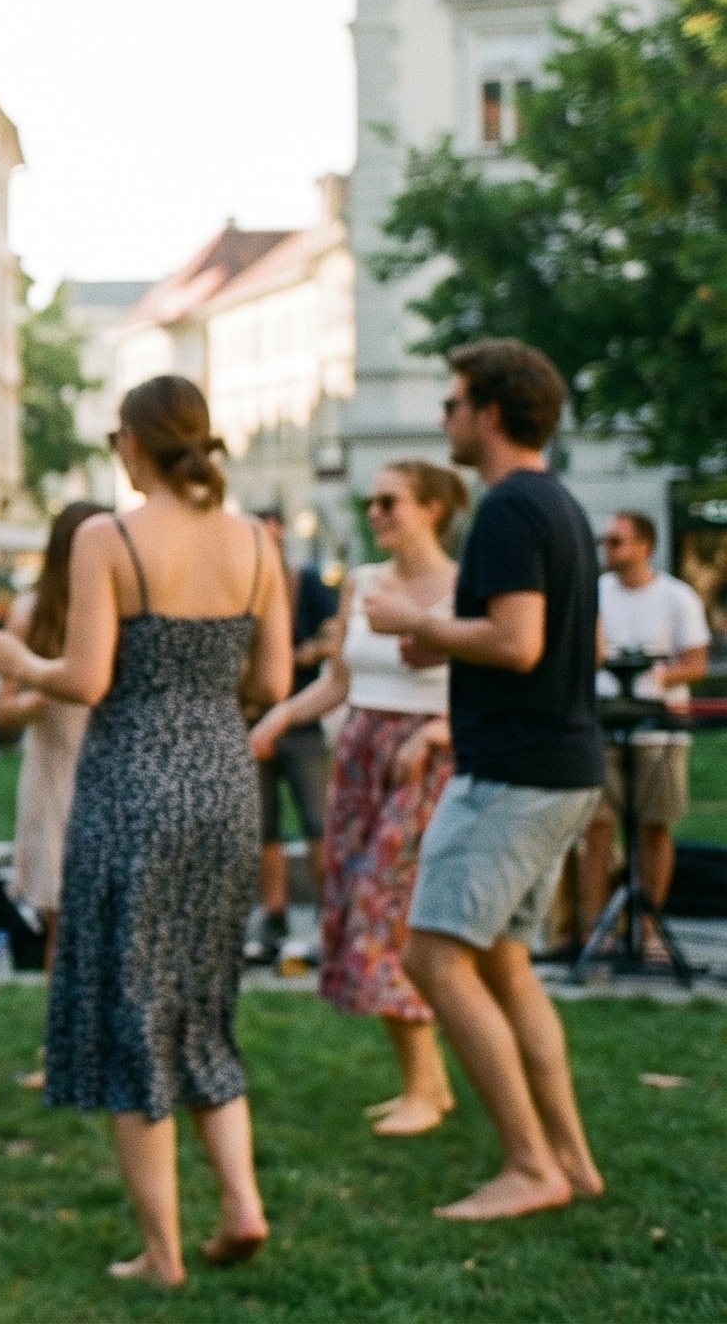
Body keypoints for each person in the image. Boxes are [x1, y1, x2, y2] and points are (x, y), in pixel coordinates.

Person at [0, 375, 284, 1288]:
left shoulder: (109, 537)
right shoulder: (257, 543)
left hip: (132, 789)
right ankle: (241, 1203)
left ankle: (162, 1254)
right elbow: (270, 685)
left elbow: (85, 677)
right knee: (201, 1000)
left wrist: (14, 659)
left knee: (132, 1013)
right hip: (225, 783)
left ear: (133, 445)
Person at [364, 339, 607, 1221]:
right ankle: (571, 1162)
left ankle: (529, 1166)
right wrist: (443, 635)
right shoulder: (561, 505)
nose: (444, 418)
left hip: (514, 773)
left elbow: (519, 642)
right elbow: (541, 640)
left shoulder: (508, 511)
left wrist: (413, 617)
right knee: (504, 964)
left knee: (432, 953)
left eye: (456, 402)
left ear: (491, 414)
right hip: (559, 765)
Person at [247, 463, 469, 1137]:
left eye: (390, 502)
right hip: (361, 753)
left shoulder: (466, 588)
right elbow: (339, 680)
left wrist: (436, 732)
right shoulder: (366, 583)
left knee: (386, 916)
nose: (376, 512)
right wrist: (283, 715)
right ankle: (424, 1083)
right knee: (355, 907)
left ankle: (428, 1088)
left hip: (422, 764)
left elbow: (494, 683)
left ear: (433, 509)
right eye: (372, 502)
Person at [0, 500, 111, 1015]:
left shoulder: (120, 606)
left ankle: (106, 1043)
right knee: (63, 920)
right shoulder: (30, 612)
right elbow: (3, 714)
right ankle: (61, 1049)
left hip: (110, 769)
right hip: (55, 772)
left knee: (114, 920)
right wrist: (37, 696)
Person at [580, 510, 710, 930]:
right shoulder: (594, 592)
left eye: (616, 541)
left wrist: (654, 676)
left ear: (644, 546)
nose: (607, 549)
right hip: (604, 724)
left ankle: (649, 928)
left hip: (659, 730)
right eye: (605, 541)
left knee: (655, 827)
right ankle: (595, 929)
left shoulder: (677, 597)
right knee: (597, 829)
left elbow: (695, 664)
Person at [251, 509, 341, 966]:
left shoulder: (303, 582)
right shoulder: (240, 588)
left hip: (302, 721)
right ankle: (275, 913)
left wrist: (308, 652)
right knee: (262, 825)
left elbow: (335, 633)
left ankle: (330, 915)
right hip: (251, 720)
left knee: (316, 821)